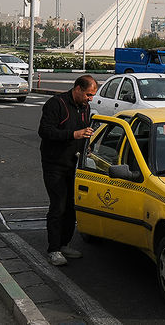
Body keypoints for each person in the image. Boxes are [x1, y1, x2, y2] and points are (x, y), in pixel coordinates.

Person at [38, 75, 97, 266]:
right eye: (88, 94)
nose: (90, 99)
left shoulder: (85, 107)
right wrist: (73, 135)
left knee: (72, 206)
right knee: (58, 205)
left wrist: (86, 143)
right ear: (78, 89)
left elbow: (83, 130)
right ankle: (53, 249)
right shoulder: (56, 104)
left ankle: (64, 244)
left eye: (93, 95)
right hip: (54, 164)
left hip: (75, 163)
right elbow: (45, 131)